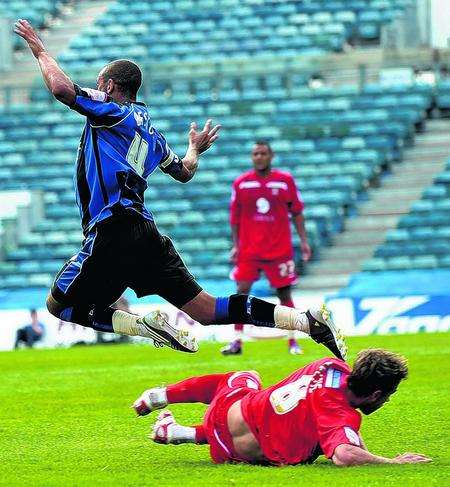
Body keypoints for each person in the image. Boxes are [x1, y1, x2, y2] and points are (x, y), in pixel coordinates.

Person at [14, 20, 346, 361]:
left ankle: (145, 327)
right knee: (206, 309)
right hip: (145, 233)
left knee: (60, 304)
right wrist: (194, 150)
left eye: (100, 83)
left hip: (112, 228)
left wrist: (39, 49)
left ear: (109, 85)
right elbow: (184, 171)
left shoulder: (111, 111)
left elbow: (61, 89)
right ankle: (307, 321)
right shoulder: (152, 134)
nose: (96, 88)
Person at [134, 349, 431, 467]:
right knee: (312, 442)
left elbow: (346, 434)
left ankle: (163, 405)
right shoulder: (339, 414)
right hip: (232, 452)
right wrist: (393, 463)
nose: (387, 401)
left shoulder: (328, 366)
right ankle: (175, 427)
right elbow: (344, 454)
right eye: (387, 396)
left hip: (227, 414)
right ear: (375, 393)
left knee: (245, 378)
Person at [222, 141, 311, 356]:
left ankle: (292, 341)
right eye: (255, 154)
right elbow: (234, 218)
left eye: (263, 153)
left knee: (284, 295)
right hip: (249, 250)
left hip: (279, 249)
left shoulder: (284, 181)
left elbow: (297, 212)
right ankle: (236, 341)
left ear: (271, 156)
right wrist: (236, 245)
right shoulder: (242, 183)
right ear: (252, 157)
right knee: (241, 294)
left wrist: (304, 242)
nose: (259, 157)